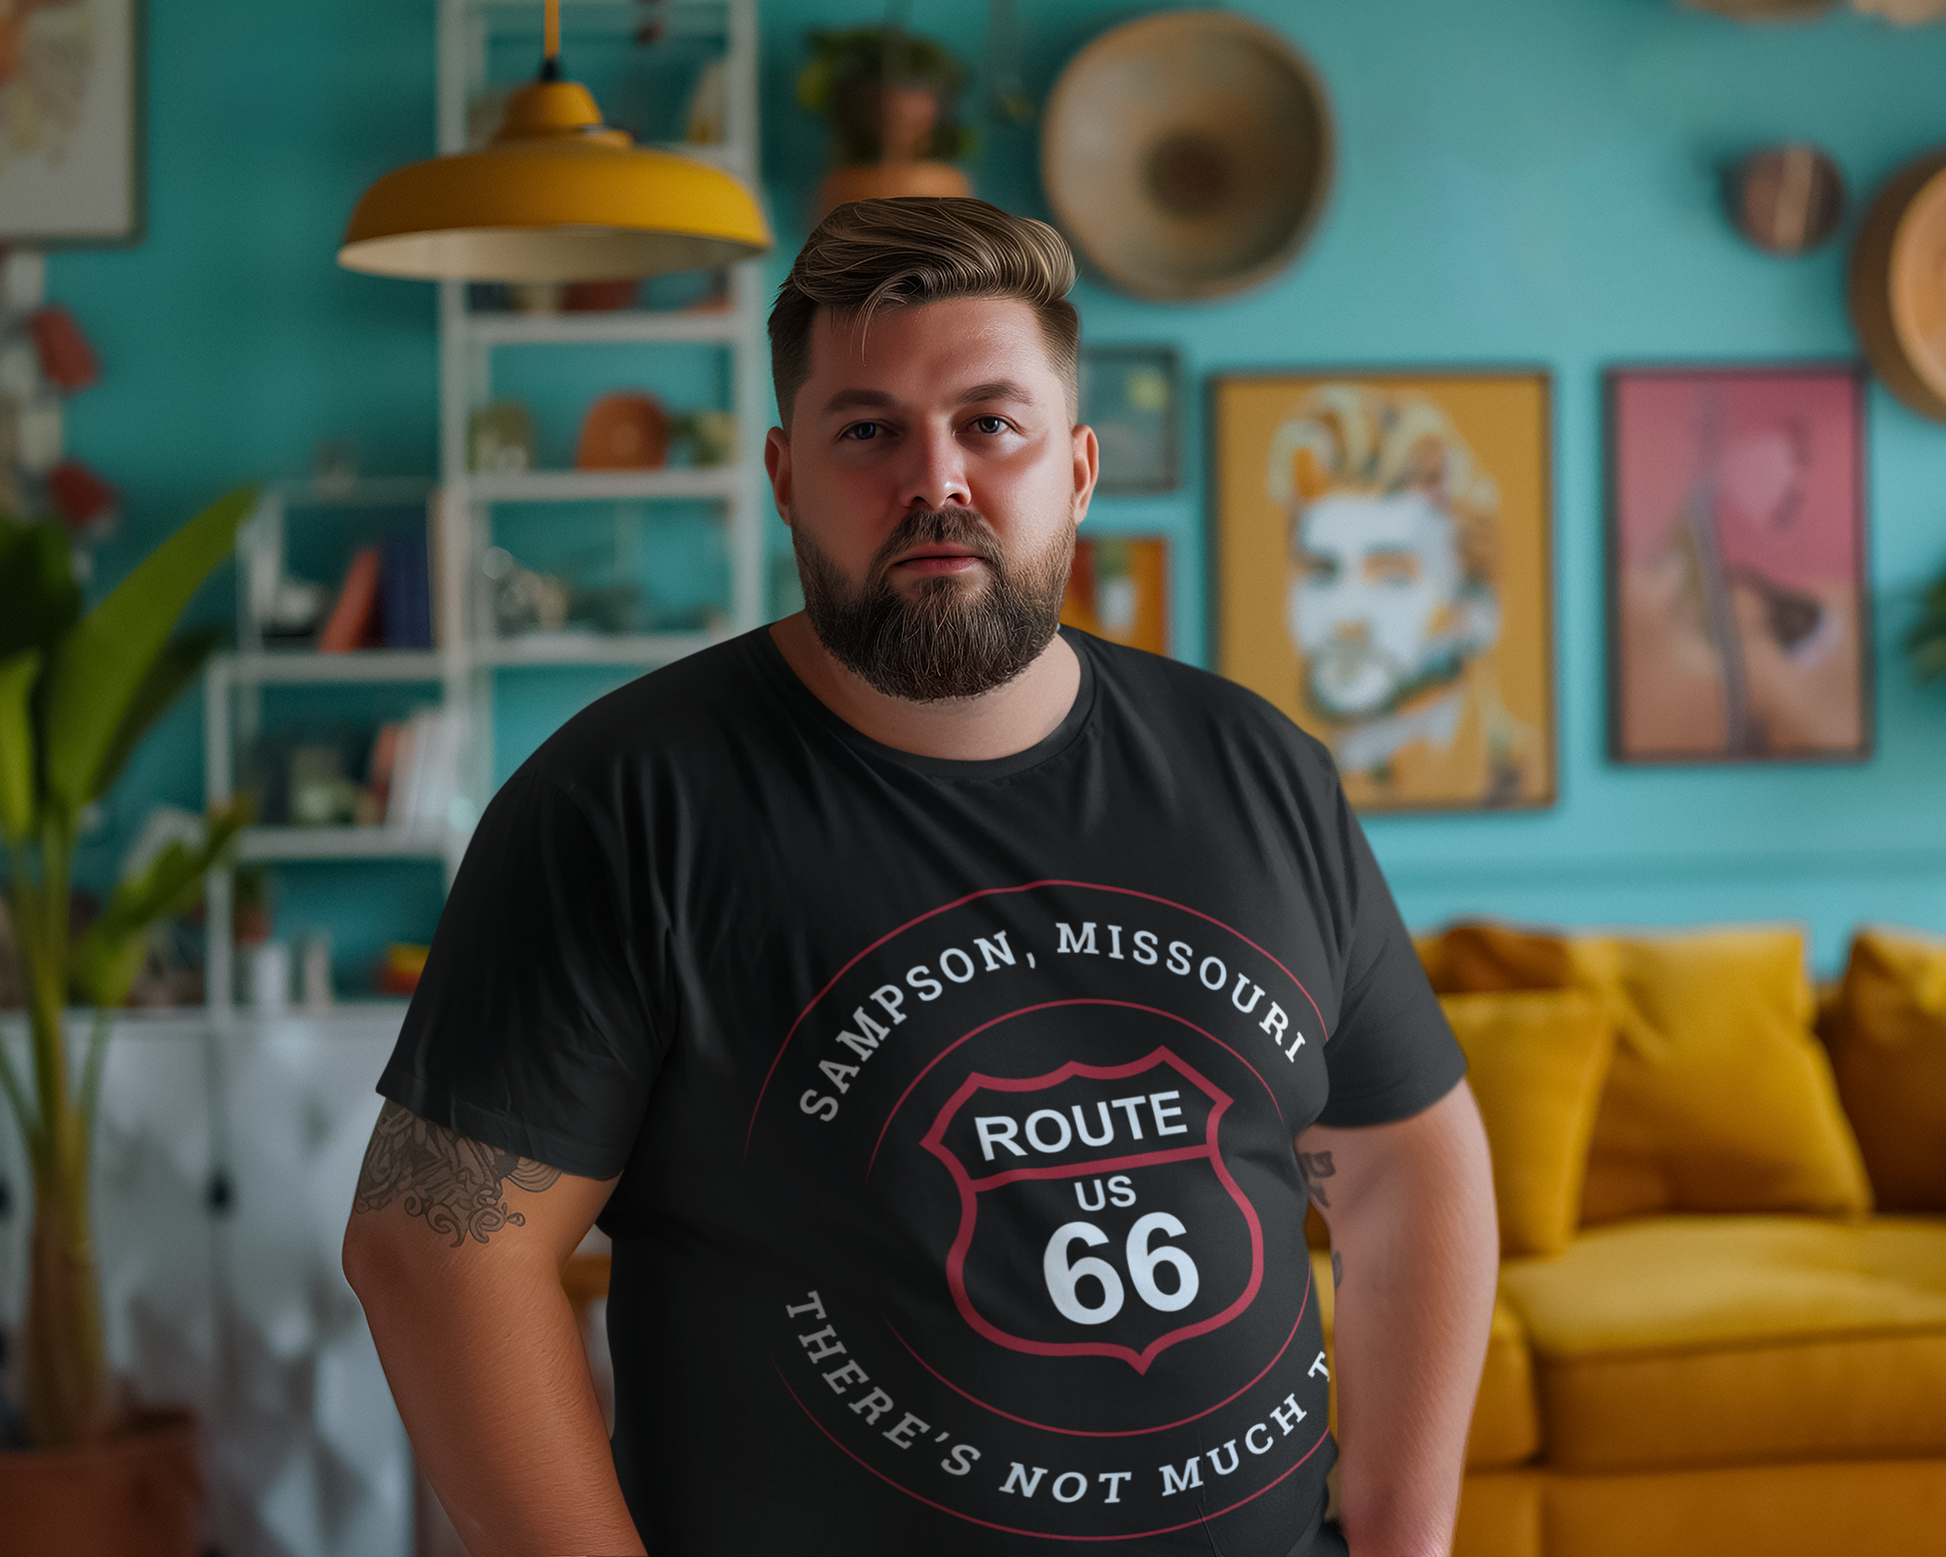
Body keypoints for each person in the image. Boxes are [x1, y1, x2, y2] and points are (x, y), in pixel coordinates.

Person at [343, 197, 1497, 1557]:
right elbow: (435, 1250)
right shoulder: (622, 803)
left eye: (988, 423)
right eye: (868, 429)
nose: (933, 479)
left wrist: (1405, 1537)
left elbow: (1400, 1162)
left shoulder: (1255, 767)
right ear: (783, 474)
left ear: (1074, 467)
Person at [1268, 384, 1540, 809]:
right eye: (1321, 573)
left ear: (1475, 610)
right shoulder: (1284, 790)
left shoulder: (1513, 776)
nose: (1347, 613)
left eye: (1392, 577)